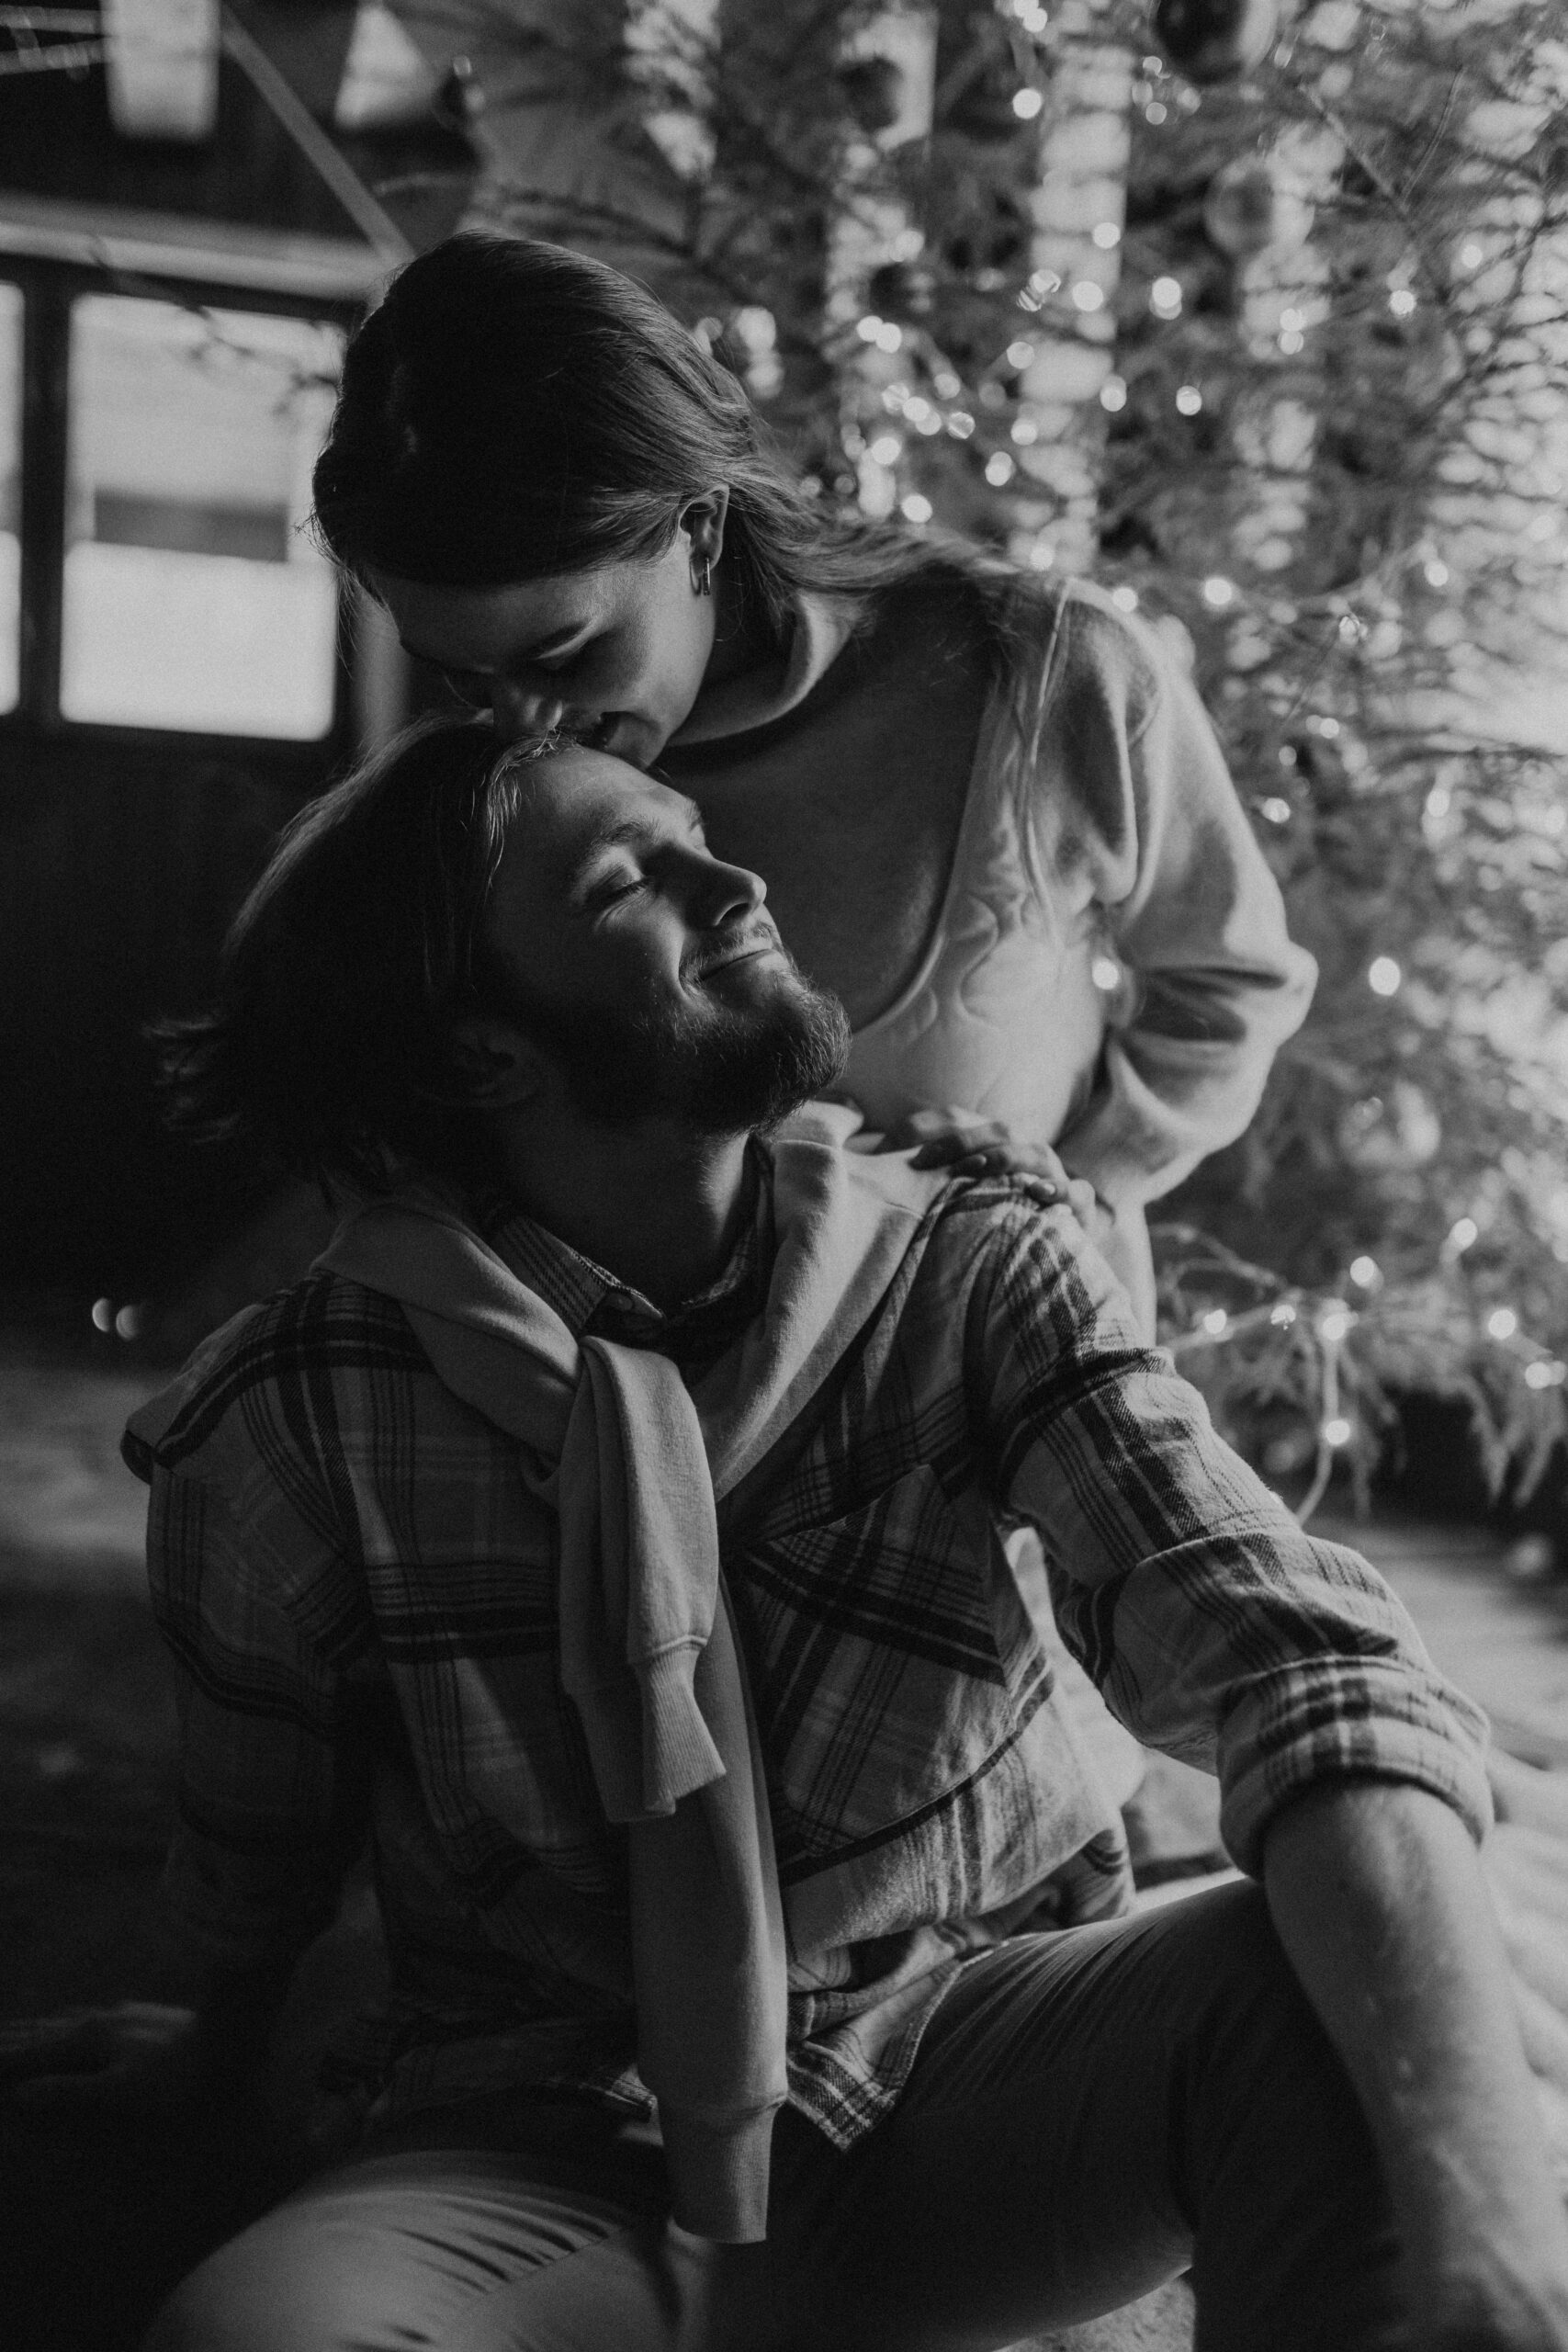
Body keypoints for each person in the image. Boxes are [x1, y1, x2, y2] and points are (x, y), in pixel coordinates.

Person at [10, 719, 1565, 2352]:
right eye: (632, 879)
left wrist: (1490, 2255)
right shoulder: (291, 1415)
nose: (735, 877)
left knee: (1322, 2006)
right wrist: (210, 2058)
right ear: (486, 1056)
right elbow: (263, 1841)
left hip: (970, 2075)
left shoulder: (968, 1263)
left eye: (689, 829)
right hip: (538, 2139)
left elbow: (1289, 1660)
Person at [310, 231, 1319, 1343]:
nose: (519, 725)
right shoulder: (503, 811)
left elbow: (1233, 986)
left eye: (560, 657)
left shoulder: (1049, 676)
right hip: (671, 1443)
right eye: (464, 674)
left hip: (1014, 1391)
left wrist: (1078, 1184)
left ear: (698, 530)